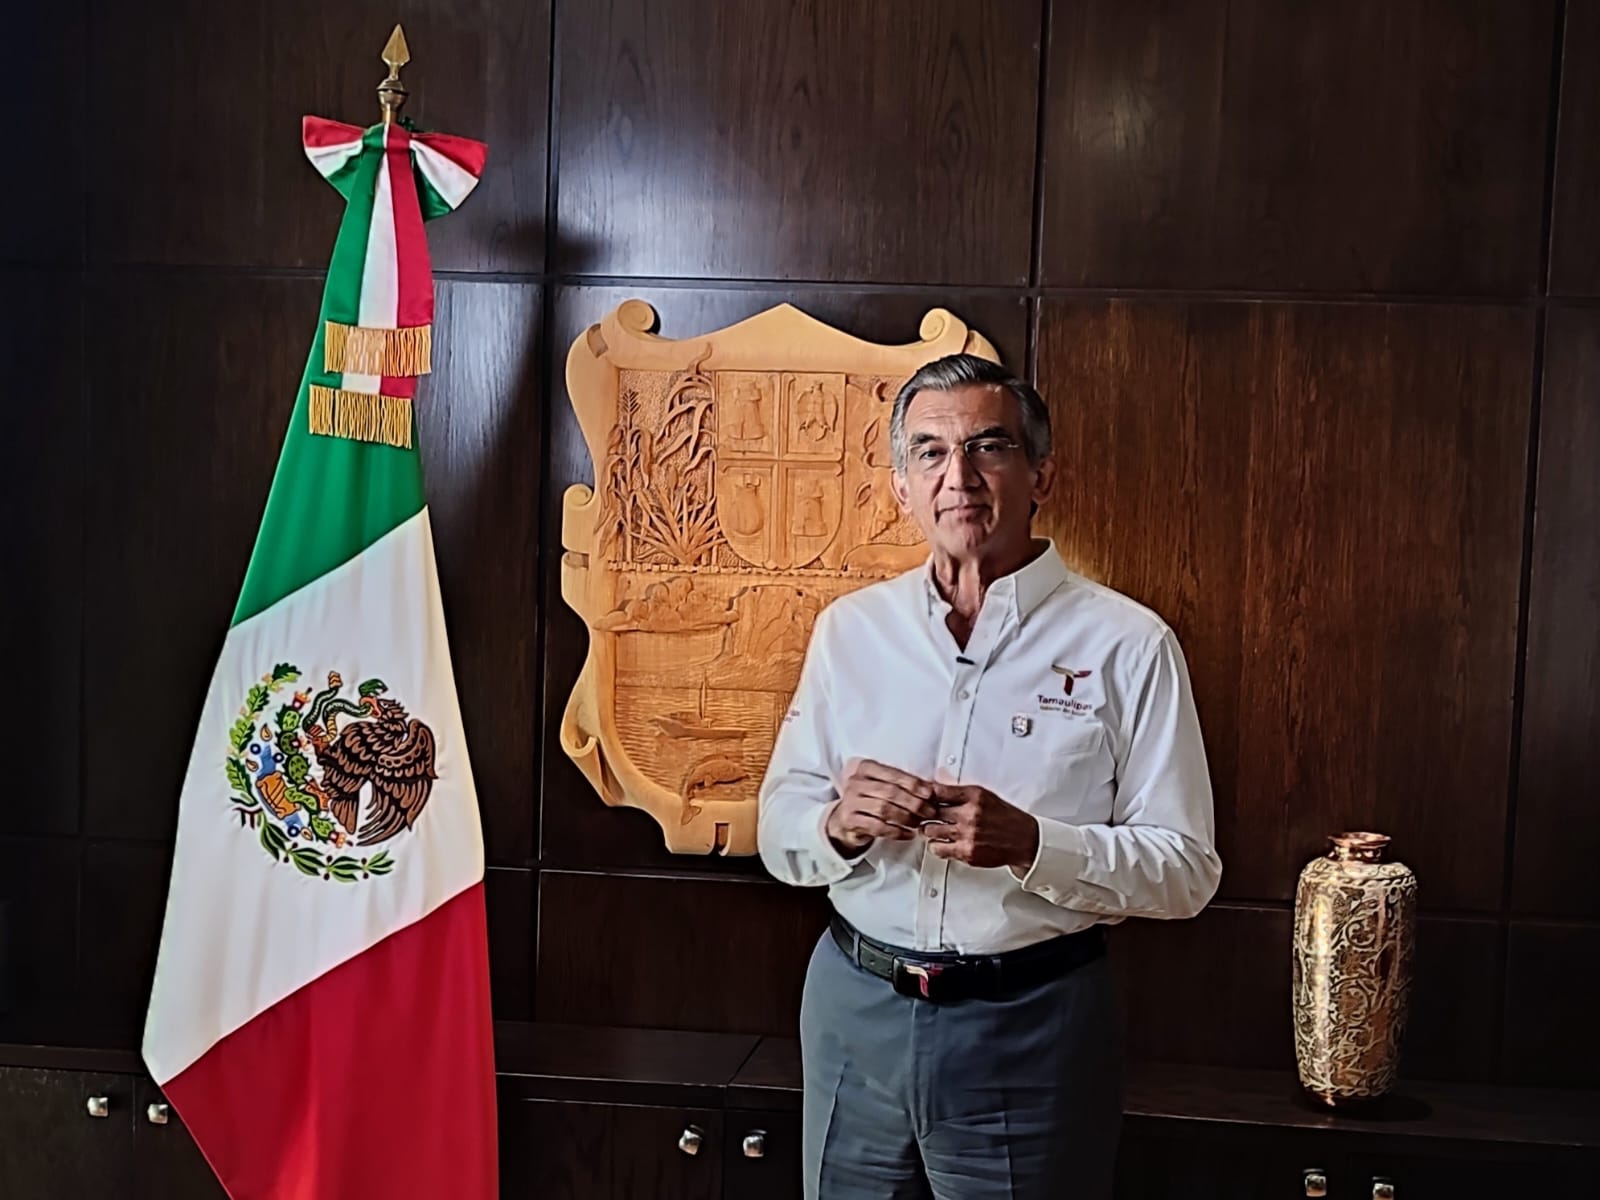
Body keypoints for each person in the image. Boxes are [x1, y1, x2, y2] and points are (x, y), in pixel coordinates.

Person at [758, 354, 1222, 1200]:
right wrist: (834, 827)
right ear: (901, 485)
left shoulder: (1130, 645)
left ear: (1042, 474)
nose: (958, 476)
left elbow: (1186, 871)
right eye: (930, 452)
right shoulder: (849, 631)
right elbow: (779, 826)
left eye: (989, 447)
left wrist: (1035, 845)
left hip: (1032, 1028)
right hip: (852, 1016)